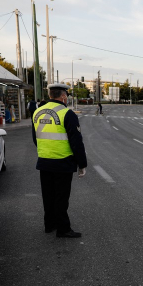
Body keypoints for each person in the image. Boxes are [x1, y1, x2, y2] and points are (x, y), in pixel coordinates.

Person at [32, 83, 87, 238]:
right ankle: (63, 229)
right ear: (63, 96)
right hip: (63, 162)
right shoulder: (67, 113)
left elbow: (35, 138)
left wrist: (46, 149)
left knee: (48, 196)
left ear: (50, 95)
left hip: (44, 161)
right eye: (67, 96)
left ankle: (49, 225)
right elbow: (76, 142)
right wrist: (82, 164)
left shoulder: (37, 112)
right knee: (61, 198)